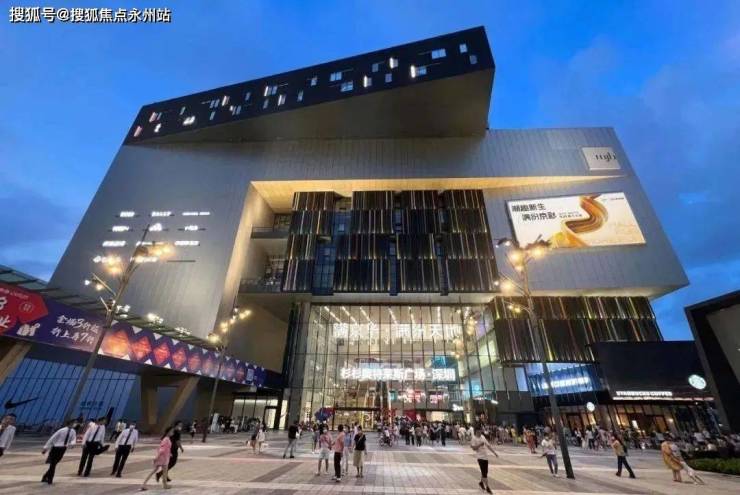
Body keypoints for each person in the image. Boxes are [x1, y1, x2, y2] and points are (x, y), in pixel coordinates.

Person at [41, 419, 78, 484]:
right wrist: (45, 448)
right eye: (74, 423)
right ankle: (50, 480)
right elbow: (52, 439)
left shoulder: (73, 431)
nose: (75, 424)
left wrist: (72, 444)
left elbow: (73, 439)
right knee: (53, 464)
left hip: (63, 449)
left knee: (54, 464)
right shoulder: (61, 430)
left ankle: (45, 476)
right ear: (70, 423)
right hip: (56, 448)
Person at [140, 427, 174, 491]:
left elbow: (165, 449)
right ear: (168, 432)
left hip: (163, 457)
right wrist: (156, 457)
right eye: (172, 431)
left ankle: (144, 484)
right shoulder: (166, 439)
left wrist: (169, 453)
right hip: (163, 458)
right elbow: (162, 450)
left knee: (156, 471)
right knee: (164, 471)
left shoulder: (166, 439)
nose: (173, 432)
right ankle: (165, 485)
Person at [471, 428, 498, 494]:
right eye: (479, 432)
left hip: (485, 457)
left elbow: (488, 445)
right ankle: (488, 487)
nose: (480, 433)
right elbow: (473, 448)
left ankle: (481, 482)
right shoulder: (474, 439)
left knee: (485, 472)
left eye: (481, 432)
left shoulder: (483, 437)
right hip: (480, 458)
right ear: (476, 432)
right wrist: (480, 444)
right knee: (484, 473)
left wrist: (494, 453)